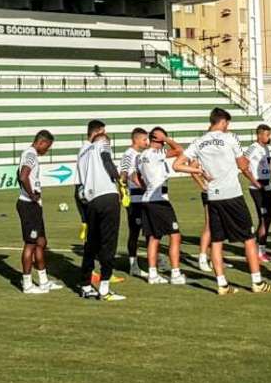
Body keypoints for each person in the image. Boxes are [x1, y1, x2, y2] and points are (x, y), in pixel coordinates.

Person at [174, 107, 271, 295]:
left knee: (217, 240)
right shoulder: (230, 138)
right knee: (248, 238)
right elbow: (242, 164)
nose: (227, 127)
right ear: (223, 122)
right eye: (227, 123)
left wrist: (198, 171)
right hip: (232, 194)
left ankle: (222, 285)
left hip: (213, 196)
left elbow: (177, 165)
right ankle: (257, 281)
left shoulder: (198, 142)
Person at [76, 121, 126, 301]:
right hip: (107, 196)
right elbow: (107, 159)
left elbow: (77, 187)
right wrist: (119, 180)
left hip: (90, 201)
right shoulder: (101, 142)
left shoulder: (82, 151)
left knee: (91, 245)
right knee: (109, 243)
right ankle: (104, 288)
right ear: (99, 132)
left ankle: (85, 285)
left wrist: (83, 216)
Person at [137, 127, 188, 285]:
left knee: (154, 237)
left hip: (147, 199)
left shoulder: (141, 156)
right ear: (158, 139)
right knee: (175, 235)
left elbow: (138, 177)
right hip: (159, 199)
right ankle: (175, 273)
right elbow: (180, 151)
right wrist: (167, 139)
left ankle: (152, 274)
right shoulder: (155, 153)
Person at [16, 130, 62, 294]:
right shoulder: (30, 154)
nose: (47, 150)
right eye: (47, 147)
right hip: (28, 205)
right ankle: (27, 284)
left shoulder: (31, 155)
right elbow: (23, 176)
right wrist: (32, 195)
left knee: (41, 242)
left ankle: (43, 281)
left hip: (34, 206)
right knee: (31, 243)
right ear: (41, 142)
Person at [119, 128, 149, 278]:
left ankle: (154, 261)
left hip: (145, 198)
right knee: (135, 232)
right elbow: (124, 175)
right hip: (135, 200)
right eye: (144, 139)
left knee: (151, 231)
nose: (147, 142)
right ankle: (133, 265)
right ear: (136, 140)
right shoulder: (128, 154)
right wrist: (124, 193)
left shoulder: (142, 155)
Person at [243, 124, 271, 261]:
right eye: (267, 135)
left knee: (268, 218)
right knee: (263, 218)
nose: (269, 137)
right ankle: (258, 250)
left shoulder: (266, 148)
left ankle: (260, 248)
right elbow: (243, 164)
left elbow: (267, 166)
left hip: (267, 185)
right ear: (259, 135)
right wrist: (254, 181)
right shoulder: (253, 148)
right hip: (257, 186)